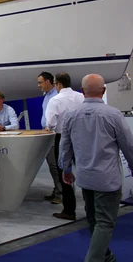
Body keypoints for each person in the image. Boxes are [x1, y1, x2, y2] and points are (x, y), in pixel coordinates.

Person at [60, 74, 133, 262]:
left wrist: (66, 169)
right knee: (105, 223)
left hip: (85, 178)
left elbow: (64, 146)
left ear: (82, 91)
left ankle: (106, 255)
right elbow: (128, 147)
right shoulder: (113, 115)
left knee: (93, 220)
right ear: (104, 90)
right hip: (107, 180)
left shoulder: (71, 115)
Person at [45, 72, 84, 220]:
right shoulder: (81, 97)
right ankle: (90, 206)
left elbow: (50, 123)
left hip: (63, 138)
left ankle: (69, 210)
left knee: (64, 174)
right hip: (81, 138)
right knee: (84, 170)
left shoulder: (55, 100)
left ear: (58, 84)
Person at [38, 71, 62, 204]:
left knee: (55, 164)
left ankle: (60, 192)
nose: (38, 85)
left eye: (40, 82)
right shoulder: (47, 95)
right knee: (52, 164)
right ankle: (57, 189)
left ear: (48, 82)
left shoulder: (56, 96)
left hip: (54, 133)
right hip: (47, 133)